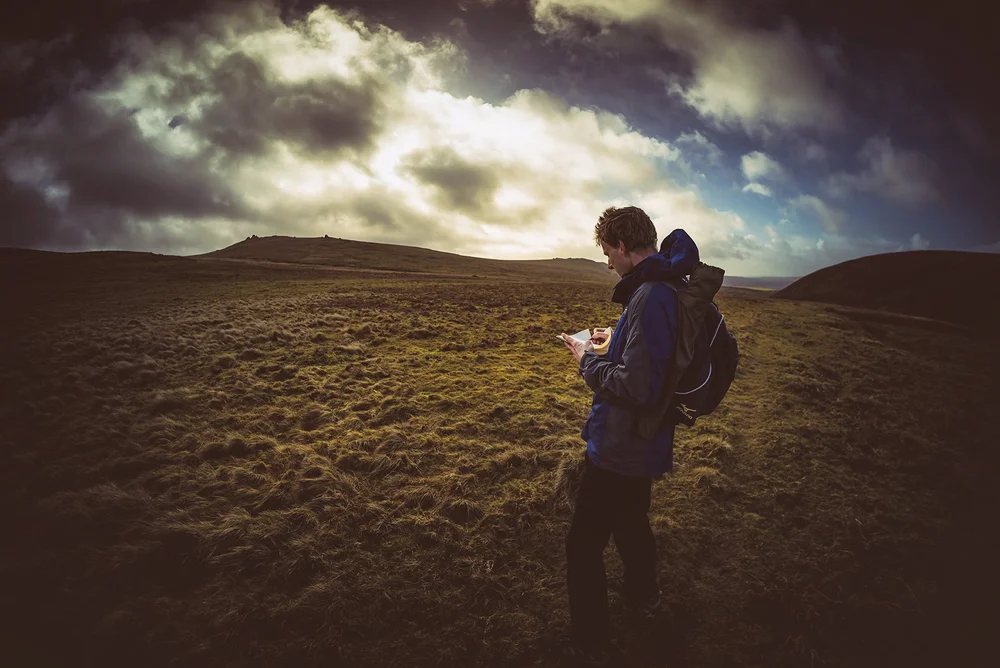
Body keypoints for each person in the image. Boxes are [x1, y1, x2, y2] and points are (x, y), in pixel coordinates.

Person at [558, 205, 698, 666]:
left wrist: (586, 359)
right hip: (643, 441)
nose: (607, 263)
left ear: (621, 246)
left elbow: (637, 385)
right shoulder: (664, 287)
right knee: (632, 523)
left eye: (607, 253)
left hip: (621, 445)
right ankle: (645, 598)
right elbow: (647, 360)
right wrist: (614, 339)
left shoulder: (651, 295)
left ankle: (591, 640)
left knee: (582, 545)